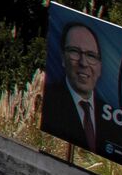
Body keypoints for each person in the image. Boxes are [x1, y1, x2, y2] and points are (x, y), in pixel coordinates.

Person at [41, 16, 111, 151]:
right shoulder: (49, 101)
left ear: (100, 67)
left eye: (91, 55)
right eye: (74, 52)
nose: (83, 63)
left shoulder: (112, 119)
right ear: (62, 58)